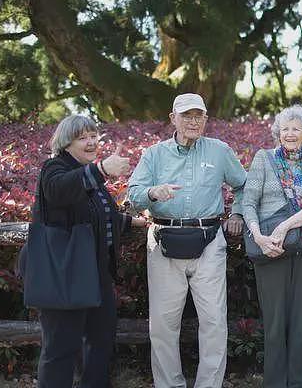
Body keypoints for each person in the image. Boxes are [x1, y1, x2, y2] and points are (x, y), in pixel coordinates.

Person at [128, 93, 246, 388]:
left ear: (206, 119)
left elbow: (246, 185)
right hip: (164, 242)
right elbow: (133, 194)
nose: (193, 121)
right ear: (173, 119)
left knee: (214, 323)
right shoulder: (154, 154)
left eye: (199, 116)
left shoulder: (219, 151)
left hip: (210, 241)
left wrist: (239, 213)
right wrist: (153, 193)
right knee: (164, 327)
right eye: (186, 116)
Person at [33, 115, 147, 387]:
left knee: (99, 347)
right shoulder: (54, 168)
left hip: (97, 275)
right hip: (66, 277)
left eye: (94, 135)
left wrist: (132, 221)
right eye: (82, 137)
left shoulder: (88, 177)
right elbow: (60, 191)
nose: (91, 141)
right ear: (66, 143)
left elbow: (98, 216)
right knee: (60, 350)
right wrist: (102, 169)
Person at [241, 104, 302, 388]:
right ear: (278, 133)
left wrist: (285, 225)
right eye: (285, 128)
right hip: (269, 246)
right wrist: (259, 236)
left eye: (296, 128)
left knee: (300, 321)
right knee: (275, 322)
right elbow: (248, 202)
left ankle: (298, 382)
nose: (290, 133)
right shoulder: (263, 159)